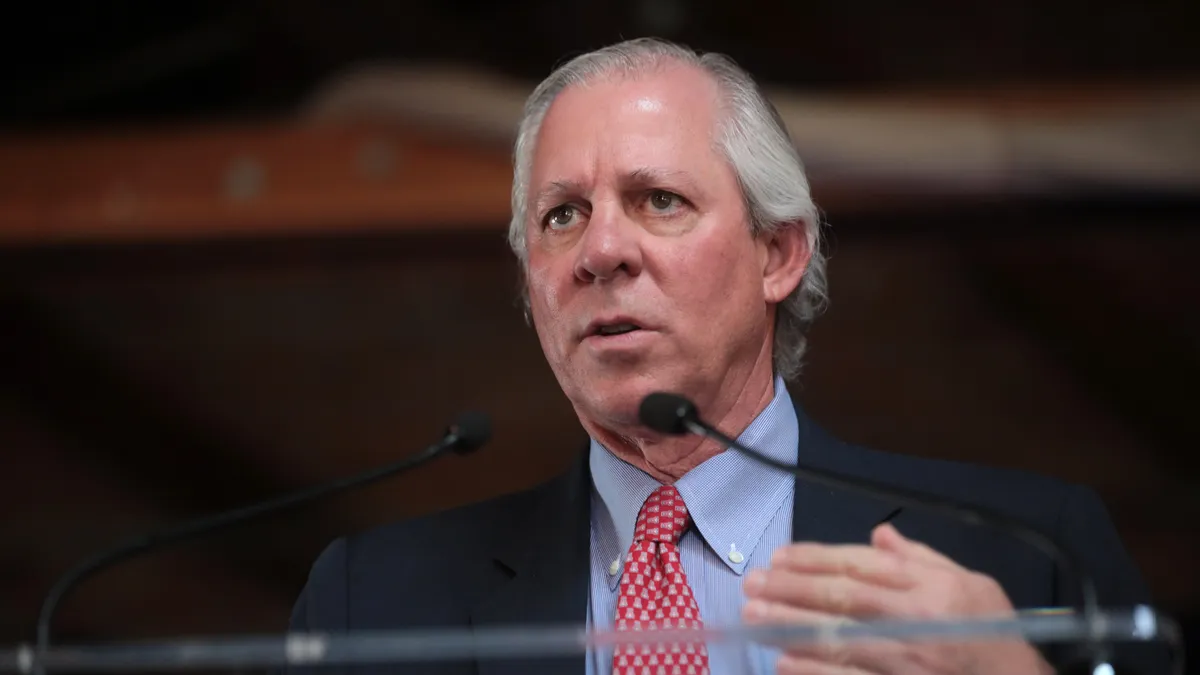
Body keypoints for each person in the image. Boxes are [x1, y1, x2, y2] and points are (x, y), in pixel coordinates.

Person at [288, 38, 1164, 674]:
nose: (601, 250)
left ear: (778, 253)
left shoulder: (1025, 554)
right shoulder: (372, 603)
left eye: (658, 199)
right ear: (532, 283)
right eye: (562, 215)